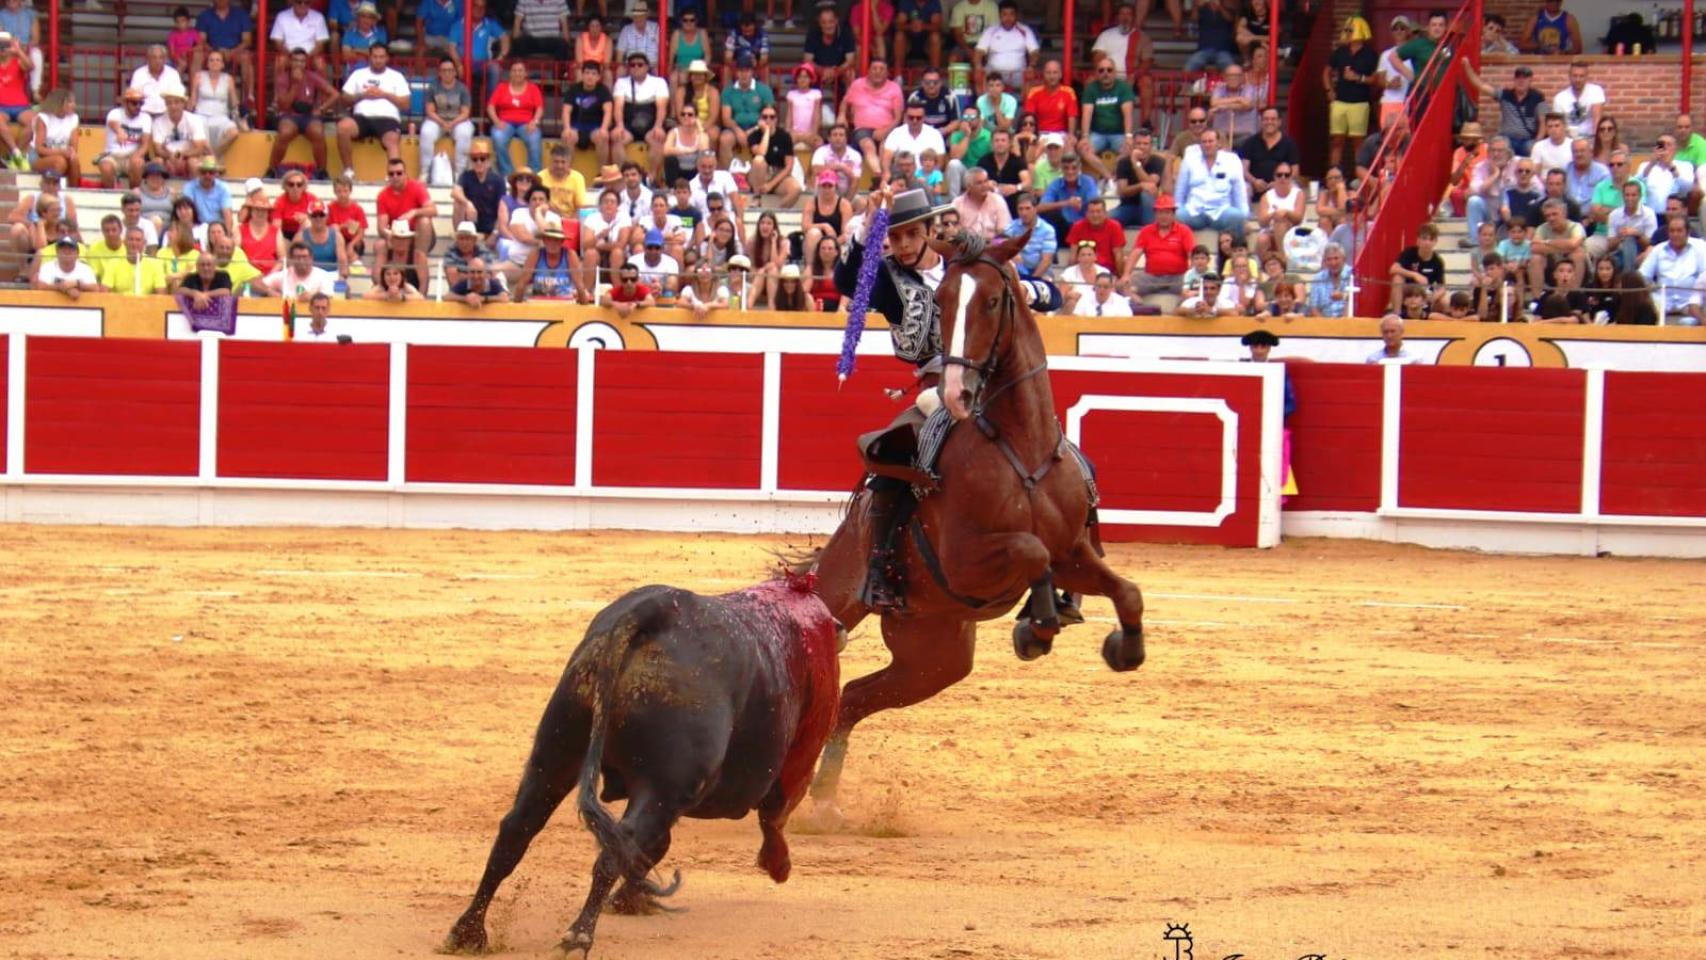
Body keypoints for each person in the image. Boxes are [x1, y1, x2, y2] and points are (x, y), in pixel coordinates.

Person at [832, 186, 1062, 612]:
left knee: (1054, 449)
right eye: (894, 237)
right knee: (896, 456)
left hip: (992, 385)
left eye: (910, 235)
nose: (901, 246)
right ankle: (880, 570)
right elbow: (847, 281)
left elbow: (1049, 293)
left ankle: (1071, 544)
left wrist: (1030, 292)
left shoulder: (965, 265)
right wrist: (869, 224)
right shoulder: (887, 280)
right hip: (935, 389)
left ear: (929, 231)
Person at [335, 43, 409, 179]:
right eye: (375, 56)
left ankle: (394, 176)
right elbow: (344, 99)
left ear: (387, 58)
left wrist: (384, 94)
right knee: (342, 127)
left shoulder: (396, 76)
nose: (378, 60)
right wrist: (363, 95)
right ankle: (348, 171)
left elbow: (405, 104)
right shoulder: (358, 74)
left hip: (387, 118)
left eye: (381, 57)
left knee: (392, 139)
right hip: (361, 118)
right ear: (369, 57)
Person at [1325, 16, 1376, 178]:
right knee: (1336, 140)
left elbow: (1376, 78)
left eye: (1350, 30)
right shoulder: (1340, 52)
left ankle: (1358, 178)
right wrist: (1329, 90)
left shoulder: (1370, 54)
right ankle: (1334, 176)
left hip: (1360, 103)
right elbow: (1326, 72)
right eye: (1346, 30)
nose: (1347, 33)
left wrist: (1358, 78)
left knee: (1358, 142)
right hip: (1340, 101)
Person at [1174, 129, 1248, 237]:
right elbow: (1180, 190)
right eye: (1204, 142)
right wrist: (1177, 209)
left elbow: (1239, 192)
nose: (1207, 145)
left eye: (1210, 141)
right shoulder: (1190, 160)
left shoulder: (1232, 160)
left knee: (1237, 217)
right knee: (1177, 216)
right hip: (1194, 210)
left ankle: (1234, 252)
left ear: (1218, 143)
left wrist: (1245, 218)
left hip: (1221, 211)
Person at [376, 158, 435, 288]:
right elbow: (381, 227)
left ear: (405, 174)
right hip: (397, 235)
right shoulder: (383, 196)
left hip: (419, 234)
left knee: (424, 221)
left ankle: (420, 257)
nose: (395, 176)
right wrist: (388, 235)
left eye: (399, 173)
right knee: (379, 245)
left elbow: (433, 210)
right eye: (391, 174)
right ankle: (380, 287)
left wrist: (414, 212)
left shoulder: (417, 187)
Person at [842, 59, 904, 180]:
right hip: (862, 129)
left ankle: (885, 178)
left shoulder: (894, 88)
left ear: (887, 73)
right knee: (868, 145)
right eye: (874, 68)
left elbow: (898, 117)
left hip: (887, 129)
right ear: (868, 71)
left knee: (885, 148)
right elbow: (845, 102)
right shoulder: (857, 84)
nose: (877, 72)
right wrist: (841, 115)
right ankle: (878, 175)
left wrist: (884, 131)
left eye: (881, 69)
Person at [1638, 216, 1706, 325]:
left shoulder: (1700, 247)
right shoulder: (1658, 249)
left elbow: (1704, 277)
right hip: (1662, 302)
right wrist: (1650, 287)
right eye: (1672, 231)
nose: (1675, 234)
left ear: (1688, 232)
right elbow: (1642, 276)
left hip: (1691, 304)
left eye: (1679, 231)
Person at [418, 58, 473, 180]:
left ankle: (460, 172)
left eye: (450, 70)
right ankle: (425, 172)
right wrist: (443, 122)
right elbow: (430, 111)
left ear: (455, 72)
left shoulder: (462, 89)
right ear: (439, 73)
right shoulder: (433, 88)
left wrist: (452, 123)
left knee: (464, 134)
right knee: (426, 133)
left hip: (458, 121)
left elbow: (465, 113)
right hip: (437, 120)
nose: (447, 73)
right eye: (444, 70)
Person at [613, 52, 670, 167]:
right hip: (629, 123)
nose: (636, 67)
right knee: (617, 141)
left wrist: (658, 126)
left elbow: (661, 107)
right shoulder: (621, 82)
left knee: (657, 140)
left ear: (647, 67)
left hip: (651, 123)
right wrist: (619, 125)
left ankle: (652, 178)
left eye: (640, 64)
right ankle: (623, 175)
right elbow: (618, 107)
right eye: (632, 65)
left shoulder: (659, 82)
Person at [974, 1, 1037, 92]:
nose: (1008, 18)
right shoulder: (991, 31)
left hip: (1018, 74)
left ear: (1017, 15)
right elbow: (979, 51)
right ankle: (983, 105)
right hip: (993, 73)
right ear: (1000, 16)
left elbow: (1034, 51)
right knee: (979, 74)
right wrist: (978, 66)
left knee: (1030, 75)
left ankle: (1026, 106)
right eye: (1004, 14)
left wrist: (1031, 65)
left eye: (1011, 14)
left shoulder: (1025, 30)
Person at [1005, 192, 1057, 279]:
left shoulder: (1048, 230)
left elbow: (1046, 260)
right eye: (1020, 209)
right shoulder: (1011, 227)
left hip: (1041, 272)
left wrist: (1032, 280)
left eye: (1027, 208)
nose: (1024, 213)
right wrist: (1010, 253)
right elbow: (997, 242)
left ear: (1035, 209)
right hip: (1017, 271)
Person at [1554, 61, 1604, 142]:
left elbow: (1597, 119)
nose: (1578, 79)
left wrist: (1596, 141)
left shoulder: (1595, 91)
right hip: (1568, 139)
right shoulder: (1560, 98)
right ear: (1569, 76)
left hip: (1590, 138)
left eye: (1581, 76)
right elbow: (1558, 125)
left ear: (1587, 77)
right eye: (1575, 76)